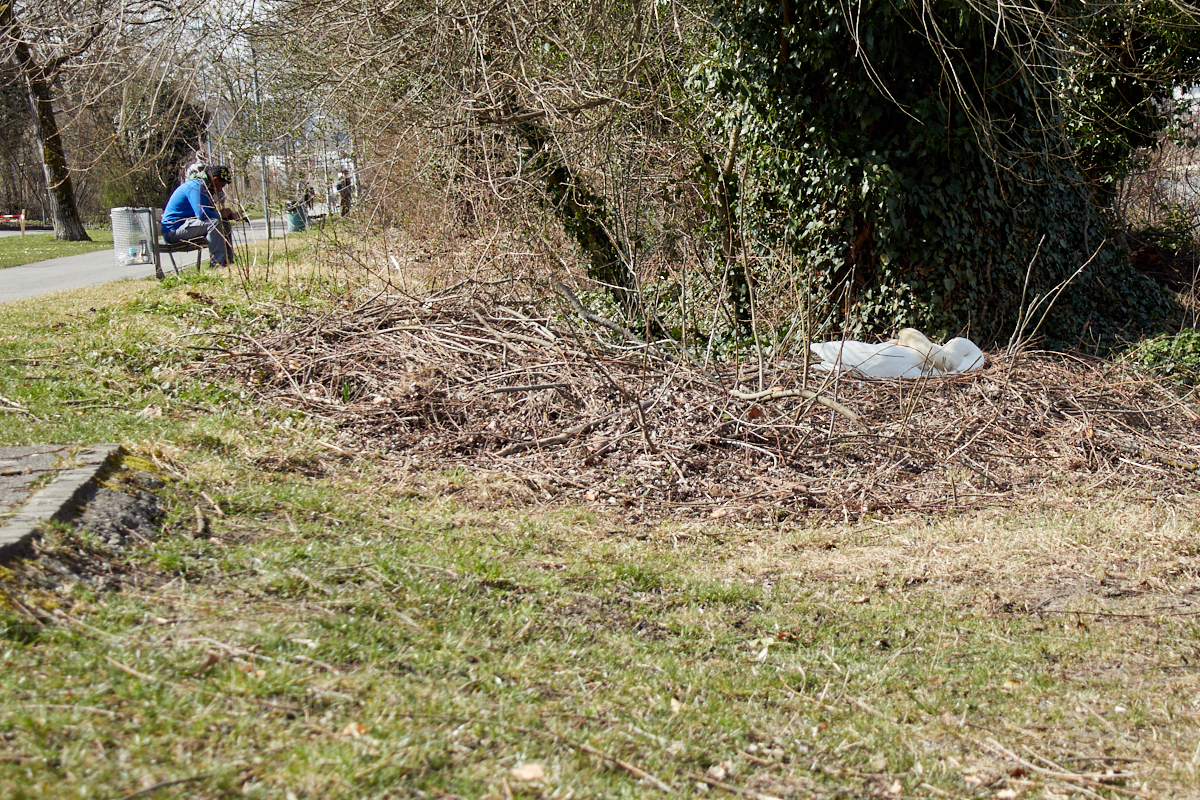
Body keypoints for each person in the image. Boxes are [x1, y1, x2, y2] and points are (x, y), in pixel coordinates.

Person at [161, 165, 240, 268]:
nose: (220, 190)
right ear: (215, 180)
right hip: (173, 231)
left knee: (224, 224)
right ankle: (218, 264)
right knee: (214, 223)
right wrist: (220, 214)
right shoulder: (195, 187)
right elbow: (202, 214)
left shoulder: (203, 187)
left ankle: (228, 262)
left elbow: (209, 212)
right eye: (221, 186)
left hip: (186, 226)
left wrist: (229, 216)